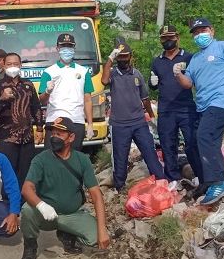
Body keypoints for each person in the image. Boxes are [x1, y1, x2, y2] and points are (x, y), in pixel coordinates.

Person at [175, 18, 224, 204]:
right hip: (203, 106)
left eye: (203, 30)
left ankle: (219, 181)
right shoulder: (196, 59)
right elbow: (188, 84)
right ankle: (207, 181)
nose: (199, 35)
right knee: (193, 143)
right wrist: (178, 74)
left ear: (212, 31)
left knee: (205, 136)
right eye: (195, 32)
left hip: (222, 102)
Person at [19, 117, 110, 259]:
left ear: (71, 137)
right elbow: (26, 188)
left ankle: (66, 233)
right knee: (27, 210)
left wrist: (102, 230)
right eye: (53, 133)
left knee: (96, 238)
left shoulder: (82, 160)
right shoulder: (40, 159)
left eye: (59, 134)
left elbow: (96, 195)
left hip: (72, 214)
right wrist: (41, 206)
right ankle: (30, 247)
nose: (54, 137)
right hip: (46, 214)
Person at [100, 43, 166, 190]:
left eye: (126, 56)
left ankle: (161, 182)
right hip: (119, 124)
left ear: (131, 57)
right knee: (120, 158)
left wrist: (151, 116)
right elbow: (103, 81)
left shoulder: (137, 74)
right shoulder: (113, 74)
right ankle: (119, 187)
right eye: (120, 57)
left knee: (150, 152)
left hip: (139, 123)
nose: (123, 60)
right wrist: (110, 59)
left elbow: (145, 98)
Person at [149, 25, 200, 184]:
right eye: (164, 38)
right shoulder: (157, 61)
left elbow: (197, 80)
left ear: (177, 37)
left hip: (186, 108)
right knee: (167, 145)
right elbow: (154, 85)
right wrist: (152, 83)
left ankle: (200, 176)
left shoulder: (189, 58)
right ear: (160, 40)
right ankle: (173, 178)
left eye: (171, 37)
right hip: (166, 110)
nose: (168, 40)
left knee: (192, 143)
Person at [0, 52, 44, 187]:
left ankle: (24, 203)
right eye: (9, 64)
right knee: (8, 172)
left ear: (21, 65)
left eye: (15, 64)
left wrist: (40, 128)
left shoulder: (28, 85)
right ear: (4, 65)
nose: (12, 66)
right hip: (7, 138)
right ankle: (8, 203)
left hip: (27, 137)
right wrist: (2, 98)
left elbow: (36, 107)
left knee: (25, 172)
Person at [38, 33, 94, 151]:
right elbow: (42, 100)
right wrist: (47, 91)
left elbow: (88, 100)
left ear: (74, 48)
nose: (66, 50)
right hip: (54, 121)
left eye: (70, 47)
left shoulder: (83, 72)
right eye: (63, 47)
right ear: (57, 48)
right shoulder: (48, 72)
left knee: (72, 158)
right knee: (52, 158)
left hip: (76, 121)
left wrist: (90, 124)